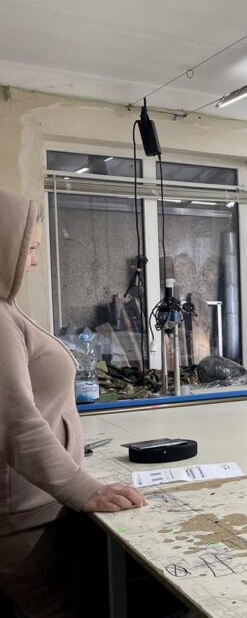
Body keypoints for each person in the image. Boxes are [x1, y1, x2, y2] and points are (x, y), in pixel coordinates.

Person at [0, 189, 146, 616]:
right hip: (25, 519)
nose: (34, 261)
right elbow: (15, 423)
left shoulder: (7, 309)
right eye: (29, 249)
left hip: (37, 504)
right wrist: (84, 490)